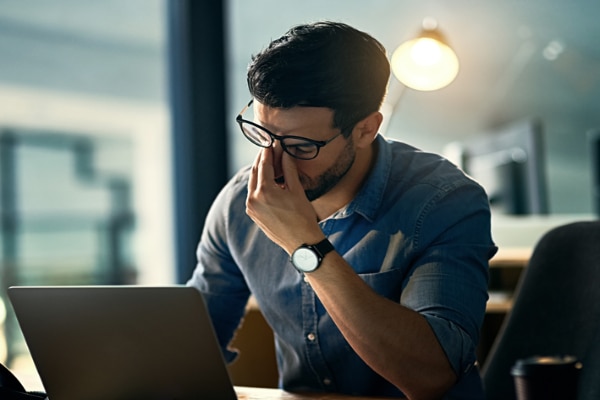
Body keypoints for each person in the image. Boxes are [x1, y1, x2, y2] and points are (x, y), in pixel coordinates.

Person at [187, 21, 497, 399]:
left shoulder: (444, 201)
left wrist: (306, 245)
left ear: (366, 129)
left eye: (301, 146)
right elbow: (192, 342)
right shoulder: (240, 203)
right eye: (262, 135)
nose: (274, 163)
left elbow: (431, 376)